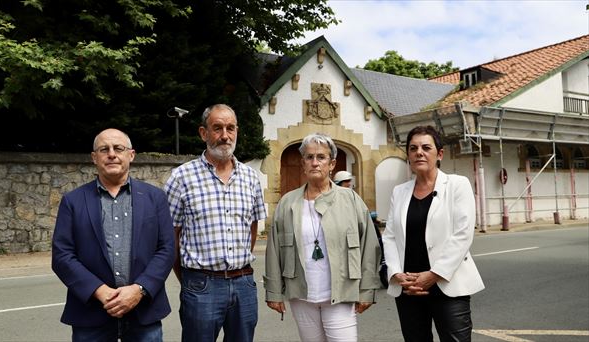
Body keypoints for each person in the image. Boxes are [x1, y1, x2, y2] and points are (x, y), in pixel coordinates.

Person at [52, 128, 175, 342]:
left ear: (131, 155)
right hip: (91, 314)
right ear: (94, 157)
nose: (111, 154)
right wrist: (99, 291)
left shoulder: (155, 198)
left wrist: (139, 290)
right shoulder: (73, 201)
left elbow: (166, 249)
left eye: (118, 148)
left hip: (144, 311)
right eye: (104, 149)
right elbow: (62, 255)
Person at [264, 133, 381, 341]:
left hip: (341, 293)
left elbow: (369, 245)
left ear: (332, 163)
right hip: (302, 295)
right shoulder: (287, 203)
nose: (315, 163)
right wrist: (273, 291)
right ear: (303, 163)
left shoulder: (351, 199)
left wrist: (367, 289)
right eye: (309, 157)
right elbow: (273, 250)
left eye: (321, 157)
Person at [164, 104, 267, 342]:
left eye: (230, 128)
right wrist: (192, 279)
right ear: (203, 133)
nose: (225, 135)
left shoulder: (251, 178)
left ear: (237, 131)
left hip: (244, 284)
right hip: (201, 286)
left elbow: (252, 228)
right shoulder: (181, 177)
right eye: (217, 128)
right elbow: (171, 236)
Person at [382, 125, 485, 342]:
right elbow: (390, 236)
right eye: (413, 148)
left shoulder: (457, 185)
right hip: (409, 287)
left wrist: (433, 275)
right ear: (408, 156)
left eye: (426, 147)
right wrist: (395, 273)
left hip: (447, 285)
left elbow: (462, 234)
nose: (419, 152)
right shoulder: (399, 192)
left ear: (439, 154)